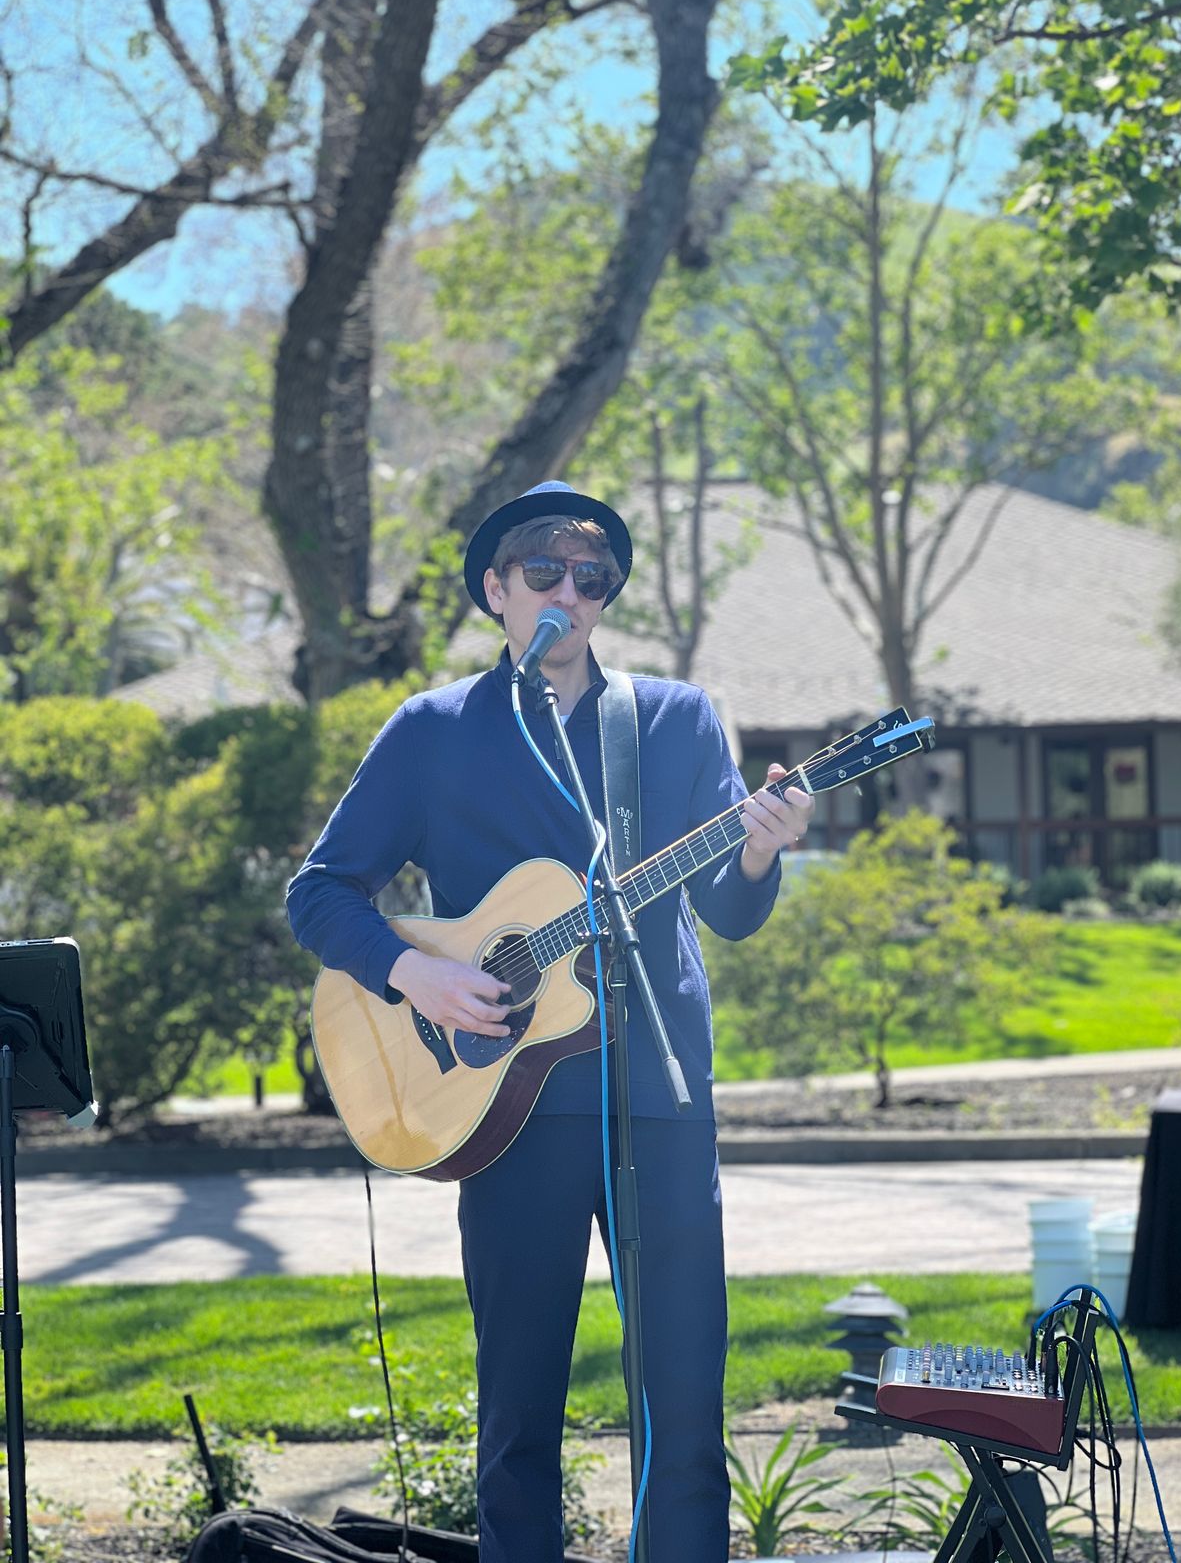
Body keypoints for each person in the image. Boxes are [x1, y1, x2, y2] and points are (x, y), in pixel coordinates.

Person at [286, 481, 813, 1563]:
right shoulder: (433, 730)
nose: (569, 595)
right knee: (519, 1416)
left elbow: (727, 910)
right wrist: (414, 975)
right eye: (544, 574)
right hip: (503, 1108)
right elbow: (320, 893)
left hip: (659, 1099)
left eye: (592, 579)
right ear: (496, 590)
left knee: (683, 1410)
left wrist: (760, 849)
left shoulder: (671, 719)